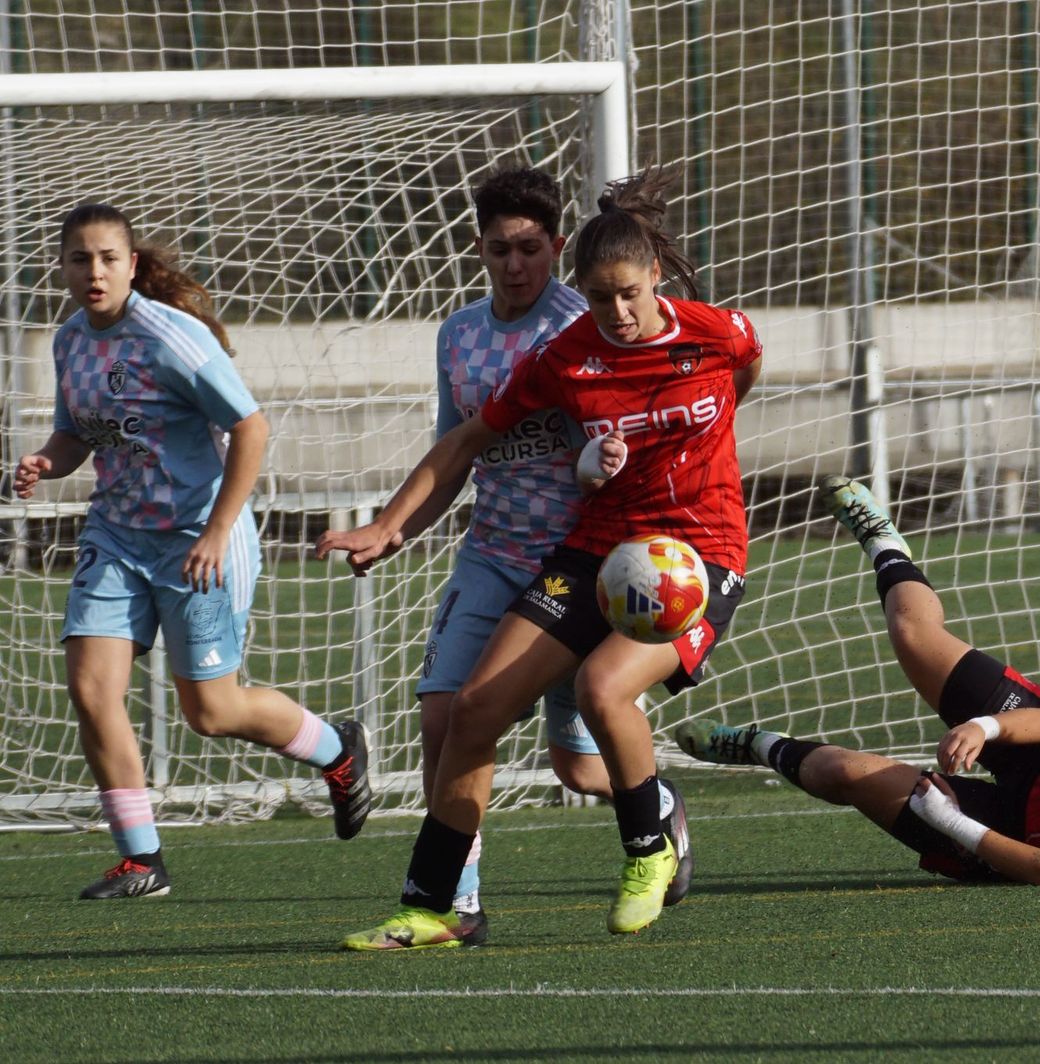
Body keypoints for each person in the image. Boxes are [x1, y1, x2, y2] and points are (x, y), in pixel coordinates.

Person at [321, 165, 761, 949]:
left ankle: (646, 850)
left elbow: (745, 373)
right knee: (471, 710)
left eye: (629, 292)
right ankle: (434, 906)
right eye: (600, 297)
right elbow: (469, 437)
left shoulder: (718, 332)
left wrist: (704, 455)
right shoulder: (565, 356)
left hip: (700, 555)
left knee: (601, 688)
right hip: (595, 550)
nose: (617, 312)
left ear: (655, 275)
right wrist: (390, 524)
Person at [11, 203, 372, 900]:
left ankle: (336, 748)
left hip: (197, 538)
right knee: (90, 688)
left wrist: (215, 531)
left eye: (108, 258)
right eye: (80, 258)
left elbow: (252, 428)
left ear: (132, 265)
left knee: (210, 713)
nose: (94, 271)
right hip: (116, 534)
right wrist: (45, 464)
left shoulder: (171, 336)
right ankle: (141, 859)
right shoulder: (69, 342)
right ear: (60, 267)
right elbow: (75, 434)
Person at [675, 477, 1040, 885]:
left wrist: (951, 822)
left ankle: (754, 746)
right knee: (915, 636)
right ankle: (884, 539)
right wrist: (985, 726)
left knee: (841, 773)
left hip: (1011, 834)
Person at [327, 168, 607, 946]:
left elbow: (605, 444)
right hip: (490, 554)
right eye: (498, 251)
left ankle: (656, 806)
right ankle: (459, 905)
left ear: (555, 245)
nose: (515, 265)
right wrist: (393, 529)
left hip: (574, 564)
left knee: (579, 769)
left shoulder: (583, 325)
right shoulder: (459, 334)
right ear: (478, 251)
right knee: (444, 717)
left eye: (529, 249)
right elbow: (455, 452)